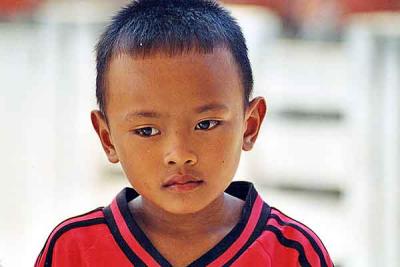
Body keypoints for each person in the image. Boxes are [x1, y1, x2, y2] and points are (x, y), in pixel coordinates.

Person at [35, 0, 334, 266]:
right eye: (147, 130)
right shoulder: (73, 252)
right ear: (107, 138)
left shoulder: (292, 253)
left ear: (250, 125)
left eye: (205, 124)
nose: (179, 154)